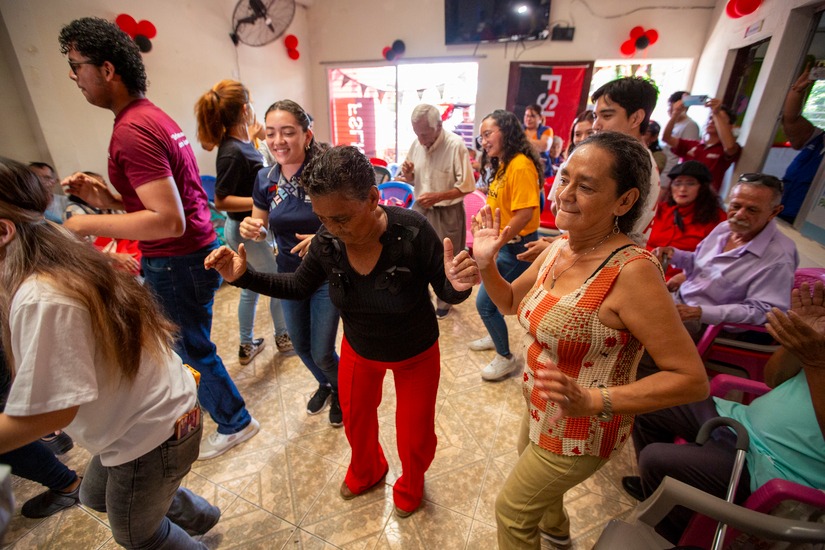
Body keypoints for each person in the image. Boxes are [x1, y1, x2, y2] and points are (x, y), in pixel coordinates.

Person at [205, 145, 478, 517]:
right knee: (356, 419)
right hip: (360, 349)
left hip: (415, 352)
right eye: (322, 218)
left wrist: (459, 284)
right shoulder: (328, 241)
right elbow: (299, 287)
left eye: (342, 218)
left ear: (372, 197)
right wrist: (244, 276)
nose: (331, 228)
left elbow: (446, 292)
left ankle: (412, 480)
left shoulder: (412, 232)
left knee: (415, 435)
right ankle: (368, 469)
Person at [470, 132, 708, 549]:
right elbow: (509, 301)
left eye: (586, 186)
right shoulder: (562, 246)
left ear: (624, 201)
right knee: (542, 496)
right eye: (564, 178)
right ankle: (559, 536)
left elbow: (690, 379)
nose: (565, 194)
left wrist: (594, 401)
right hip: (540, 404)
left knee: (512, 510)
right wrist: (486, 263)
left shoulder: (632, 272)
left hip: (585, 427)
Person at [58, 17, 258, 460]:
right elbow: (164, 203)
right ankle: (223, 414)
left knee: (190, 346)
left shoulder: (132, 131)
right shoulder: (152, 117)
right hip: (190, 253)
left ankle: (235, 420)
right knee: (189, 343)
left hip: (178, 258)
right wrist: (106, 199)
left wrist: (83, 224)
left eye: (77, 66)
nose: (74, 77)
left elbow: (168, 221)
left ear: (107, 69)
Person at [0, 157, 219, 549]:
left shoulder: (39, 295)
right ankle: (200, 516)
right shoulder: (59, 249)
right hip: (161, 413)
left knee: (137, 534)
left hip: (152, 432)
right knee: (93, 496)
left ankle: (189, 524)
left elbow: (51, 414)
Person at [624, 280, 825, 544]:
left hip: (773, 465)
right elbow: (773, 378)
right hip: (740, 420)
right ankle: (661, 491)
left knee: (656, 459)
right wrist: (796, 343)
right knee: (650, 400)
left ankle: (678, 536)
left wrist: (815, 362)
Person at [240, 99, 342, 425]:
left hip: (327, 273)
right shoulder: (265, 179)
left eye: (287, 132)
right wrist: (250, 228)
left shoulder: (327, 172)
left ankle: (342, 390)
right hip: (289, 276)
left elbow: (352, 218)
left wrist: (325, 236)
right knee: (300, 344)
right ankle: (325, 383)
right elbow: (260, 227)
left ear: (306, 135)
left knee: (323, 349)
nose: (278, 141)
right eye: (270, 133)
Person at [194, 79, 292, 364]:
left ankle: (247, 345)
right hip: (244, 229)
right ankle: (284, 337)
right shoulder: (231, 151)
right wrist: (261, 202)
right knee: (277, 281)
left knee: (248, 285)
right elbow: (222, 200)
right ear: (246, 108)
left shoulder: (241, 143)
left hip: (245, 228)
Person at [652, 174, 798, 338]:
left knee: (639, 337)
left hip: (710, 326)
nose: (740, 215)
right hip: (680, 302)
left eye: (752, 210)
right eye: (735, 206)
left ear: (774, 212)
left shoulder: (779, 256)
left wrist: (700, 312)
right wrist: (675, 254)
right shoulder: (725, 228)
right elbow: (699, 263)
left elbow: (764, 311)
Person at [469, 109, 541, 382]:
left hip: (518, 247)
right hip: (506, 243)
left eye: (488, 134)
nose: (484, 141)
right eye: (482, 136)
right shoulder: (504, 164)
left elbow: (525, 212)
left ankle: (505, 358)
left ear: (506, 132)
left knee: (485, 304)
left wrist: (498, 240)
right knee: (492, 302)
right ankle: (494, 333)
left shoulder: (520, 164)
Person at [397, 103, 476, 319]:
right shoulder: (417, 143)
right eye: (417, 133)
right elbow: (413, 178)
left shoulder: (455, 145)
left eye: (424, 133)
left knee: (447, 258)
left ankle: (445, 300)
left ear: (439, 125)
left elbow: (468, 185)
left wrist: (438, 196)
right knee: (412, 253)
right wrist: (409, 174)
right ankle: (423, 297)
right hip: (421, 208)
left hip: (447, 211)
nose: (421, 139)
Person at [591, 77, 661, 246]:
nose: (596, 125)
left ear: (636, 118)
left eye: (606, 116)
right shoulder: (626, 156)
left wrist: (557, 244)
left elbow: (611, 233)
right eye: (595, 116)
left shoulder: (634, 164)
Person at [646, 160, 726, 280]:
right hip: (641, 271)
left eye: (690, 183)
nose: (682, 189)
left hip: (682, 281)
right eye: (677, 183)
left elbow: (716, 261)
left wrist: (684, 277)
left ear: (703, 188)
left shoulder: (717, 219)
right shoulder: (659, 210)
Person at [64, 171, 142, 276]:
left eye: (104, 183)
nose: (104, 188)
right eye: (97, 185)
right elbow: (81, 251)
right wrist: (113, 256)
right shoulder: (75, 212)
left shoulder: (110, 202)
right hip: (101, 263)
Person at [663, 96, 741, 194]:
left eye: (718, 119)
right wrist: (675, 114)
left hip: (705, 200)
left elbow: (730, 147)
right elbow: (666, 138)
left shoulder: (724, 149)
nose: (712, 121)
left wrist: (717, 113)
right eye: (710, 118)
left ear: (730, 126)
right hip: (680, 194)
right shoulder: (693, 144)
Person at [779, 64, 825, 223]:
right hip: (781, 214)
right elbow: (790, 120)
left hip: (809, 227)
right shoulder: (818, 139)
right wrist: (797, 90)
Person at [659, 91, 701, 189]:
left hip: (671, 173)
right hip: (662, 169)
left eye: (671, 106)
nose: (669, 110)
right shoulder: (673, 123)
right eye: (669, 106)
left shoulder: (690, 125)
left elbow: (688, 154)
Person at [522, 104, 553, 178]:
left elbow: (544, 146)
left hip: (542, 172)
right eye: (526, 115)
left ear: (540, 118)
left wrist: (522, 140)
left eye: (532, 116)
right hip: (523, 170)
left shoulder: (547, 130)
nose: (528, 119)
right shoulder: (520, 129)